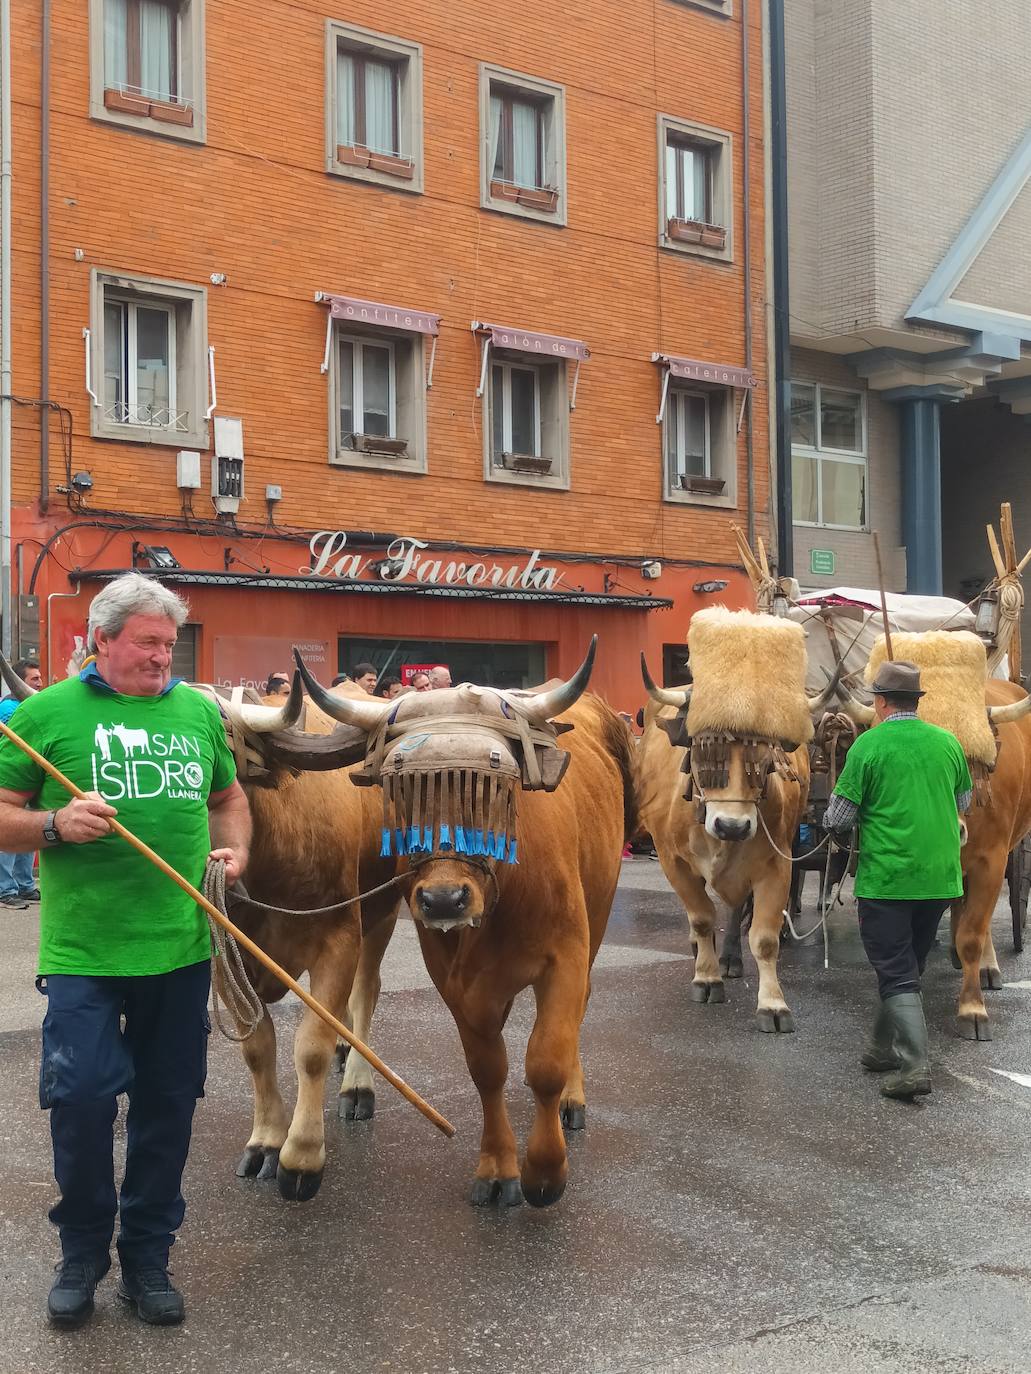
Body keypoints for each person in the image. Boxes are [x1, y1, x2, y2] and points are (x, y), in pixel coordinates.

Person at [0, 572, 251, 1328]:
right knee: (79, 1105)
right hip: (84, 954)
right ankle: (82, 1253)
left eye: (168, 644)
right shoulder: (44, 715)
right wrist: (52, 827)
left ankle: (147, 1258)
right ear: (100, 640)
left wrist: (234, 852)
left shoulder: (197, 713)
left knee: (168, 1107)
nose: (160, 657)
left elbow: (228, 799)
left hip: (180, 948)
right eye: (146, 642)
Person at [823, 660, 971, 1101]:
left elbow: (840, 816)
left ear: (881, 701)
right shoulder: (948, 742)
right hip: (941, 878)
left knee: (894, 970)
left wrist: (831, 823)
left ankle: (914, 1068)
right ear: (916, 701)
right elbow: (964, 798)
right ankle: (878, 1049)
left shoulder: (868, 746)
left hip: (889, 879)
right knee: (907, 965)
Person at [0, 659, 44, 908]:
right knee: (10, 834)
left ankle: (25, 886)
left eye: (39, 678)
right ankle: (5, 891)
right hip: (9, 778)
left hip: (29, 776)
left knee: (29, 835)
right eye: (34, 679)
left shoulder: (31, 705)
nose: (39, 683)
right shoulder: (10, 708)